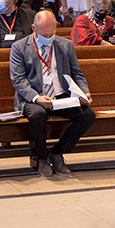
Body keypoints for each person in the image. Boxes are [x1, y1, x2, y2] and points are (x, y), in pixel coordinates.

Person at [10, 11, 96, 178]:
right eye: (44, 34)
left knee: (88, 115)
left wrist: (84, 91)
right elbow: (19, 80)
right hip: (34, 98)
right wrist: (37, 98)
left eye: (52, 33)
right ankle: (42, 158)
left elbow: (77, 73)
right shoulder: (19, 47)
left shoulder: (66, 45)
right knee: (38, 115)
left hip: (60, 97)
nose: (49, 37)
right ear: (34, 28)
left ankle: (57, 153)